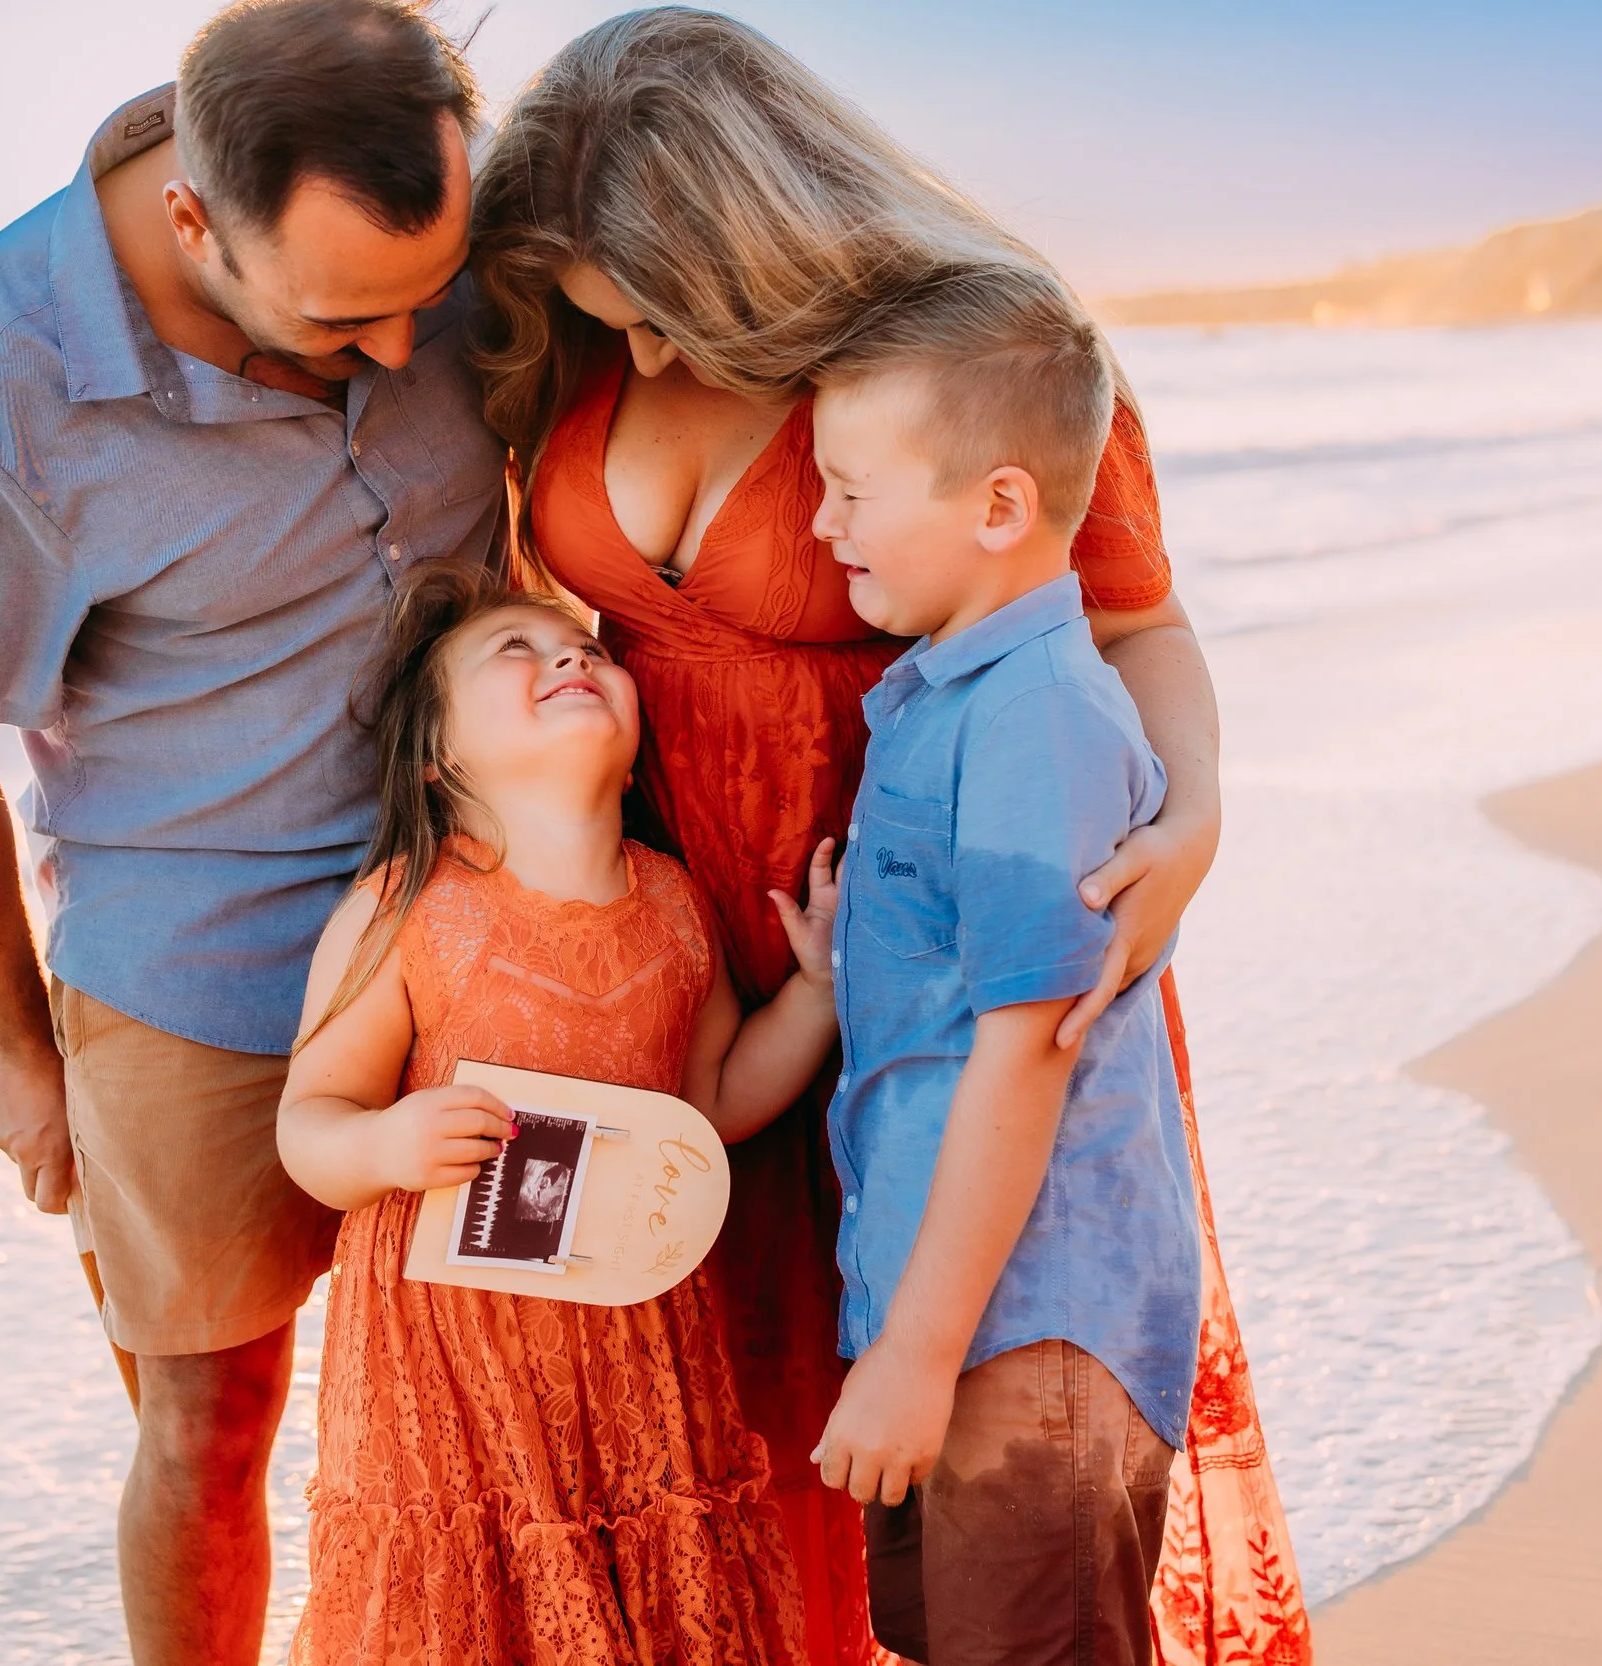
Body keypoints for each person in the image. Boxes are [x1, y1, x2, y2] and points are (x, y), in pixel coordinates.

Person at [469, 11, 1310, 1662]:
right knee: (715, 1446)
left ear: (748, 251)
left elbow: (1132, 628)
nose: (632, 358)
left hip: (932, 951)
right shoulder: (570, 347)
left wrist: (1196, 817)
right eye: (600, 320)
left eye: (655, 312)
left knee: (968, 1446)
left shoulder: (966, 358)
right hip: (695, 968)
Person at [0, 3, 502, 1661]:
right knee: (212, 1431)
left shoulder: (428, 244)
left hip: (497, 915)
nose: (403, 351)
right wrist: (15, 1040)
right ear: (192, 223)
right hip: (195, 969)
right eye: (347, 319)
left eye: (431, 297)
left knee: (537, 1367)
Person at [275, 564, 833, 1663]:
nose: (571, 658)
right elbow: (309, 1120)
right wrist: (384, 1142)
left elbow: (712, 1100)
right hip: (449, 1365)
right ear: (440, 755)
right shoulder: (408, 907)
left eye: (586, 650)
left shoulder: (670, 901)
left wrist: (814, 996)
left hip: (631, 1342)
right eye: (516, 653)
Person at [806, 261, 1197, 1666]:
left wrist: (913, 1356)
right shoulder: (949, 691)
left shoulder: (1037, 718)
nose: (818, 519)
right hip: (958, 1306)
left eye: (852, 489)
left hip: (1029, 1329)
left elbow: (1026, 1050)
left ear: (998, 505)